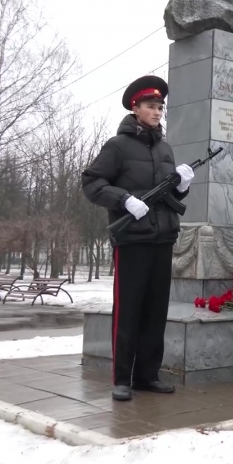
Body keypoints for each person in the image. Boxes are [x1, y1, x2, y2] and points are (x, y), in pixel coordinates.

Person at [81, 75, 194, 402]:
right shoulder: (117, 146)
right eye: (150, 106)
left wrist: (182, 185)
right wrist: (124, 199)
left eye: (160, 107)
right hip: (132, 240)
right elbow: (92, 183)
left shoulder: (165, 148)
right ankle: (122, 379)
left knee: (155, 312)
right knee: (128, 311)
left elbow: (169, 192)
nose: (157, 112)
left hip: (163, 238)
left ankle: (148, 375)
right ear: (135, 108)